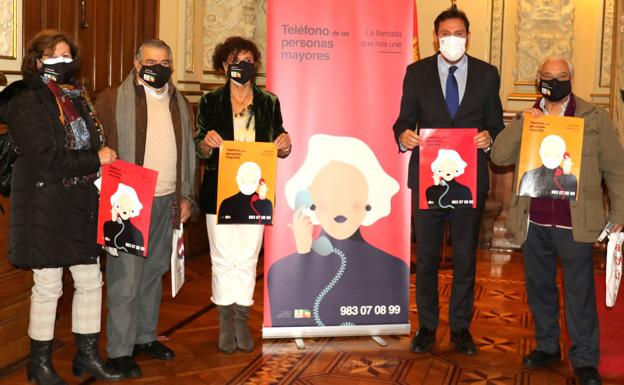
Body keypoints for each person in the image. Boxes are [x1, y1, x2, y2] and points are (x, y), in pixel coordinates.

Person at [491, 56, 624, 385]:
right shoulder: (530, 118)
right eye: (549, 76)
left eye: (562, 76)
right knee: (540, 289)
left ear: (572, 78)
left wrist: (620, 213)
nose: (556, 81)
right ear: (539, 79)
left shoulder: (594, 117)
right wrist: (522, 123)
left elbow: (616, 168)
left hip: (575, 222)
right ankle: (548, 346)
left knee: (579, 292)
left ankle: (584, 359)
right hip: (533, 220)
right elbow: (498, 156)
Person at [5, 30, 122, 384]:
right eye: (55, 55)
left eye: (67, 54)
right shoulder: (25, 99)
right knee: (48, 285)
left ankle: (87, 356)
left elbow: (94, 141)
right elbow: (44, 158)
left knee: (90, 280)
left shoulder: (75, 95)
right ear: (36, 60)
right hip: (45, 204)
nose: (63, 60)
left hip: (81, 201)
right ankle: (38, 364)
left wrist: (101, 160)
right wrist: (94, 159)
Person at [393, 6, 504, 355]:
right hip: (427, 181)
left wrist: (490, 137)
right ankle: (427, 326)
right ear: (435, 37)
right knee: (426, 259)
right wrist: (404, 137)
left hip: (469, 181)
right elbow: (403, 121)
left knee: (466, 259)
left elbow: (496, 124)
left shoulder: (487, 74)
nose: (451, 39)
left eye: (458, 33)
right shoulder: (417, 72)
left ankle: (460, 328)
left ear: (468, 36)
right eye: (445, 34)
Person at [95, 38, 196, 378]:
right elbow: (98, 146)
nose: (159, 67)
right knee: (125, 279)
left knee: (153, 274)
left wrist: (186, 196)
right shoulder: (111, 100)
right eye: (152, 61)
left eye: (165, 62)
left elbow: (189, 153)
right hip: (127, 201)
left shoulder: (179, 102)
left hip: (167, 199)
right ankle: (120, 350)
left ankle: (144, 337)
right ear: (137, 64)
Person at [195, 36, 291, 353]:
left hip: (256, 194)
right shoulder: (210, 102)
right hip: (219, 193)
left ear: (255, 66)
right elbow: (200, 147)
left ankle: (241, 320)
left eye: (249, 60)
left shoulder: (269, 102)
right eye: (236, 60)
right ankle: (225, 322)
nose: (243, 66)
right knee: (223, 258)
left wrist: (285, 144)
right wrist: (206, 143)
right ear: (224, 66)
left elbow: (280, 141)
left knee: (248, 258)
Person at [268, 134, 409, 327]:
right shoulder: (280, 271)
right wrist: (303, 254)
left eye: (350, 192)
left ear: (369, 201)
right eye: (330, 193)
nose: (340, 207)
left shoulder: (394, 269)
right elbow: (289, 318)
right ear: (311, 201)